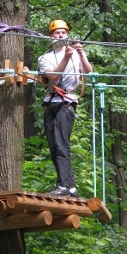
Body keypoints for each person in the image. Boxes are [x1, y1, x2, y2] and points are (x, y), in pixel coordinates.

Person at [38, 20, 93, 197]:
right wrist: (67, 58)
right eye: (57, 33)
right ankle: (69, 185)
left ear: (67, 35)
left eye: (63, 33)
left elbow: (88, 72)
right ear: (51, 36)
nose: (60, 36)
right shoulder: (45, 58)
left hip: (66, 102)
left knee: (62, 144)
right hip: (51, 102)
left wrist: (81, 54)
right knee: (54, 146)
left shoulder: (75, 55)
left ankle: (64, 185)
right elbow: (53, 76)